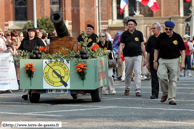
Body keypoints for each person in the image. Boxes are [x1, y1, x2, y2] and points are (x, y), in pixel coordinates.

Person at [153, 21, 185, 105]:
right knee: (161, 76)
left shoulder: (177, 37)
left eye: (170, 29)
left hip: (174, 60)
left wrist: (182, 63)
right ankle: (165, 93)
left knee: (173, 79)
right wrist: (155, 61)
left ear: (173, 29)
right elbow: (156, 49)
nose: (168, 31)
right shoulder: (161, 36)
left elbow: (183, 50)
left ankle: (171, 98)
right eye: (166, 29)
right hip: (162, 60)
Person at [117, 19, 147, 97]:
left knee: (137, 72)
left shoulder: (139, 33)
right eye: (128, 24)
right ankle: (127, 88)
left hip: (138, 55)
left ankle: (138, 90)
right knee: (128, 73)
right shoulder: (124, 34)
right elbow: (121, 46)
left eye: (131, 24)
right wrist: (119, 57)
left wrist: (145, 57)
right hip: (127, 56)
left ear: (135, 25)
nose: (130, 25)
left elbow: (142, 45)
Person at [19, 27, 45, 100]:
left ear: (35, 33)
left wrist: (39, 52)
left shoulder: (38, 40)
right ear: (27, 33)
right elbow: (20, 49)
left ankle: (33, 90)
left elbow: (43, 48)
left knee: (33, 76)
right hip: (26, 59)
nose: (31, 33)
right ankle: (25, 93)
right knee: (25, 76)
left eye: (32, 32)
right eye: (29, 32)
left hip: (36, 60)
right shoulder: (24, 40)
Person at [112, 16, 133, 81]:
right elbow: (114, 45)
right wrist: (119, 54)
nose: (131, 26)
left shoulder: (136, 33)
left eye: (132, 24)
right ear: (125, 25)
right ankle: (124, 77)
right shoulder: (120, 34)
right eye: (129, 24)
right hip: (123, 54)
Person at [146, 22, 161, 99]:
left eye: (154, 28)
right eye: (152, 28)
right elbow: (148, 51)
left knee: (163, 78)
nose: (153, 30)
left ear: (159, 28)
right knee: (154, 77)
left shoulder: (163, 37)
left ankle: (166, 93)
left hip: (162, 59)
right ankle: (154, 93)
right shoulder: (151, 38)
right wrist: (147, 61)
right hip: (152, 60)